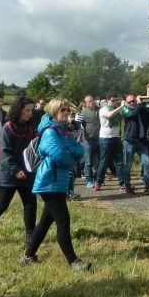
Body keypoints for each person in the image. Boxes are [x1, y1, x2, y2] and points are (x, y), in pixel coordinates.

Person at [22, 98, 90, 270]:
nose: (66, 112)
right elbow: (59, 155)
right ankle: (73, 262)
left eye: (68, 109)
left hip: (57, 181)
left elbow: (79, 149)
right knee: (63, 220)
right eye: (62, 110)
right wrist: (70, 158)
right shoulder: (50, 132)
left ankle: (28, 256)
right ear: (53, 112)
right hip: (49, 181)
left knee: (45, 221)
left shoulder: (63, 130)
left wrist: (69, 152)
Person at [0, 97, 37, 248]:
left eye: (32, 110)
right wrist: (16, 169)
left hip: (27, 173)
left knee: (30, 203)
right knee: (2, 205)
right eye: (27, 110)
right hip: (9, 173)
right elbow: (4, 152)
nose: (30, 113)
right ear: (19, 110)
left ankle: (30, 236)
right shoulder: (8, 127)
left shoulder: (30, 128)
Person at [121, 94, 149, 194]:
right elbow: (132, 115)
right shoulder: (125, 110)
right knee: (128, 165)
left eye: (133, 101)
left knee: (146, 163)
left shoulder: (140, 109)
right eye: (129, 102)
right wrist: (139, 103)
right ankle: (127, 186)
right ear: (126, 103)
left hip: (141, 142)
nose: (132, 103)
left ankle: (147, 186)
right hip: (129, 142)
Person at [94, 95, 126, 191]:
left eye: (116, 100)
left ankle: (122, 183)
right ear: (108, 100)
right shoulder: (103, 109)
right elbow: (109, 115)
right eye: (112, 100)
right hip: (105, 138)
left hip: (116, 137)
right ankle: (98, 182)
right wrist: (121, 106)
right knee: (104, 161)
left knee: (119, 162)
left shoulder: (117, 109)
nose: (114, 102)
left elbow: (126, 115)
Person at [79, 95, 100, 188]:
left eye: (93, 100)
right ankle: (89, 180)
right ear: (86, 103)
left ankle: (97, 180)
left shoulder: (100, 110)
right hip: (88, 140)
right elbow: (77, 123)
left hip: (99, 139)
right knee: (88, 162)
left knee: (98, 162)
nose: (92, 102)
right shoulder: (82, 113)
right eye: (90, 101)